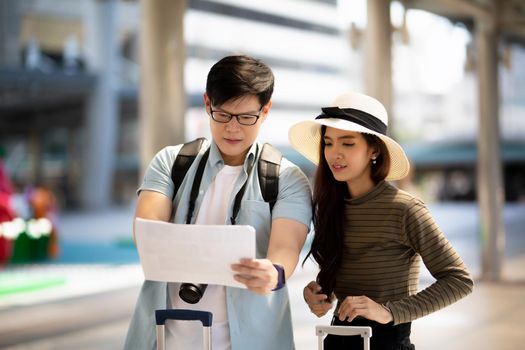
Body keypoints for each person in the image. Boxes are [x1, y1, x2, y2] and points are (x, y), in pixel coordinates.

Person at [124, 55, 312, 350]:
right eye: (222, 115)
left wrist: (272, 274)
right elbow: (148, 234)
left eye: (246, 117)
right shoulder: (172, 162)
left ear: (265, 111)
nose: (232, 128)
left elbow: (284, 253)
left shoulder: (287, 179)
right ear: (207, 104)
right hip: (162, 340)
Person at [288, 91, 473, 349]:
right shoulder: (330, 206)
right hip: (336, 339)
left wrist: (389, 312)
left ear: (374, 149)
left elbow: (459, 280)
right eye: (328, 143)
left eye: (347, 143)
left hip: (388, 342)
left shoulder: (405, 208)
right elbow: (350, 275)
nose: (334, 153)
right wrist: (319, 293)